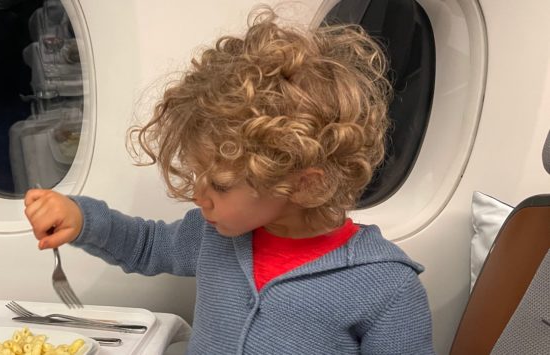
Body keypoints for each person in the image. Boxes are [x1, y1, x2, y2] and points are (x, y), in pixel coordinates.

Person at [24, 6, 434, 354]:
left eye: (219, 185)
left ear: (307, 185)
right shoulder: (214, 236)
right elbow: (146, 245)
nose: (199, 196)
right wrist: (82, 218)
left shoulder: (387, 290)